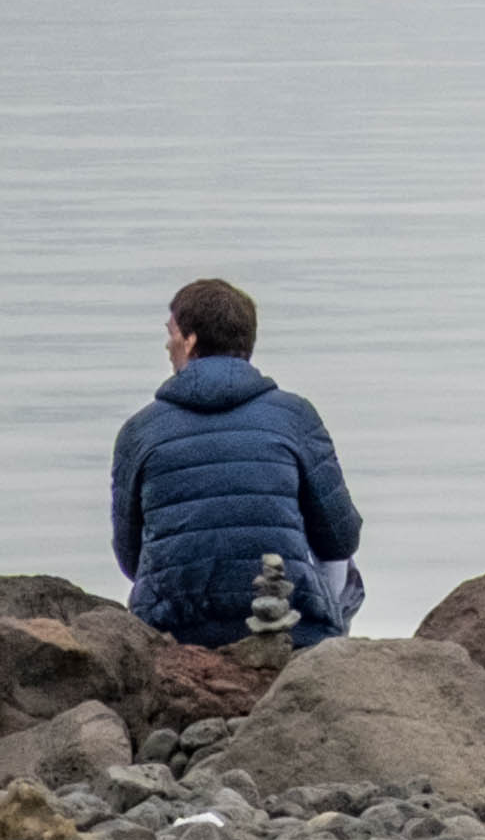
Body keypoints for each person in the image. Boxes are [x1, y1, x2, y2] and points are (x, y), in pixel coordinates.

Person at [111, 277, 366, 649]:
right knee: (348, 568)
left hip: (175, 631)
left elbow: (130, 559)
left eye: (171, 334)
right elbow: (340, 539)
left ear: (191, 340)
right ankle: (322, 655)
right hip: (290, 626)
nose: (168, 345)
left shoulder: (138, 431)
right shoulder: (295, 415)